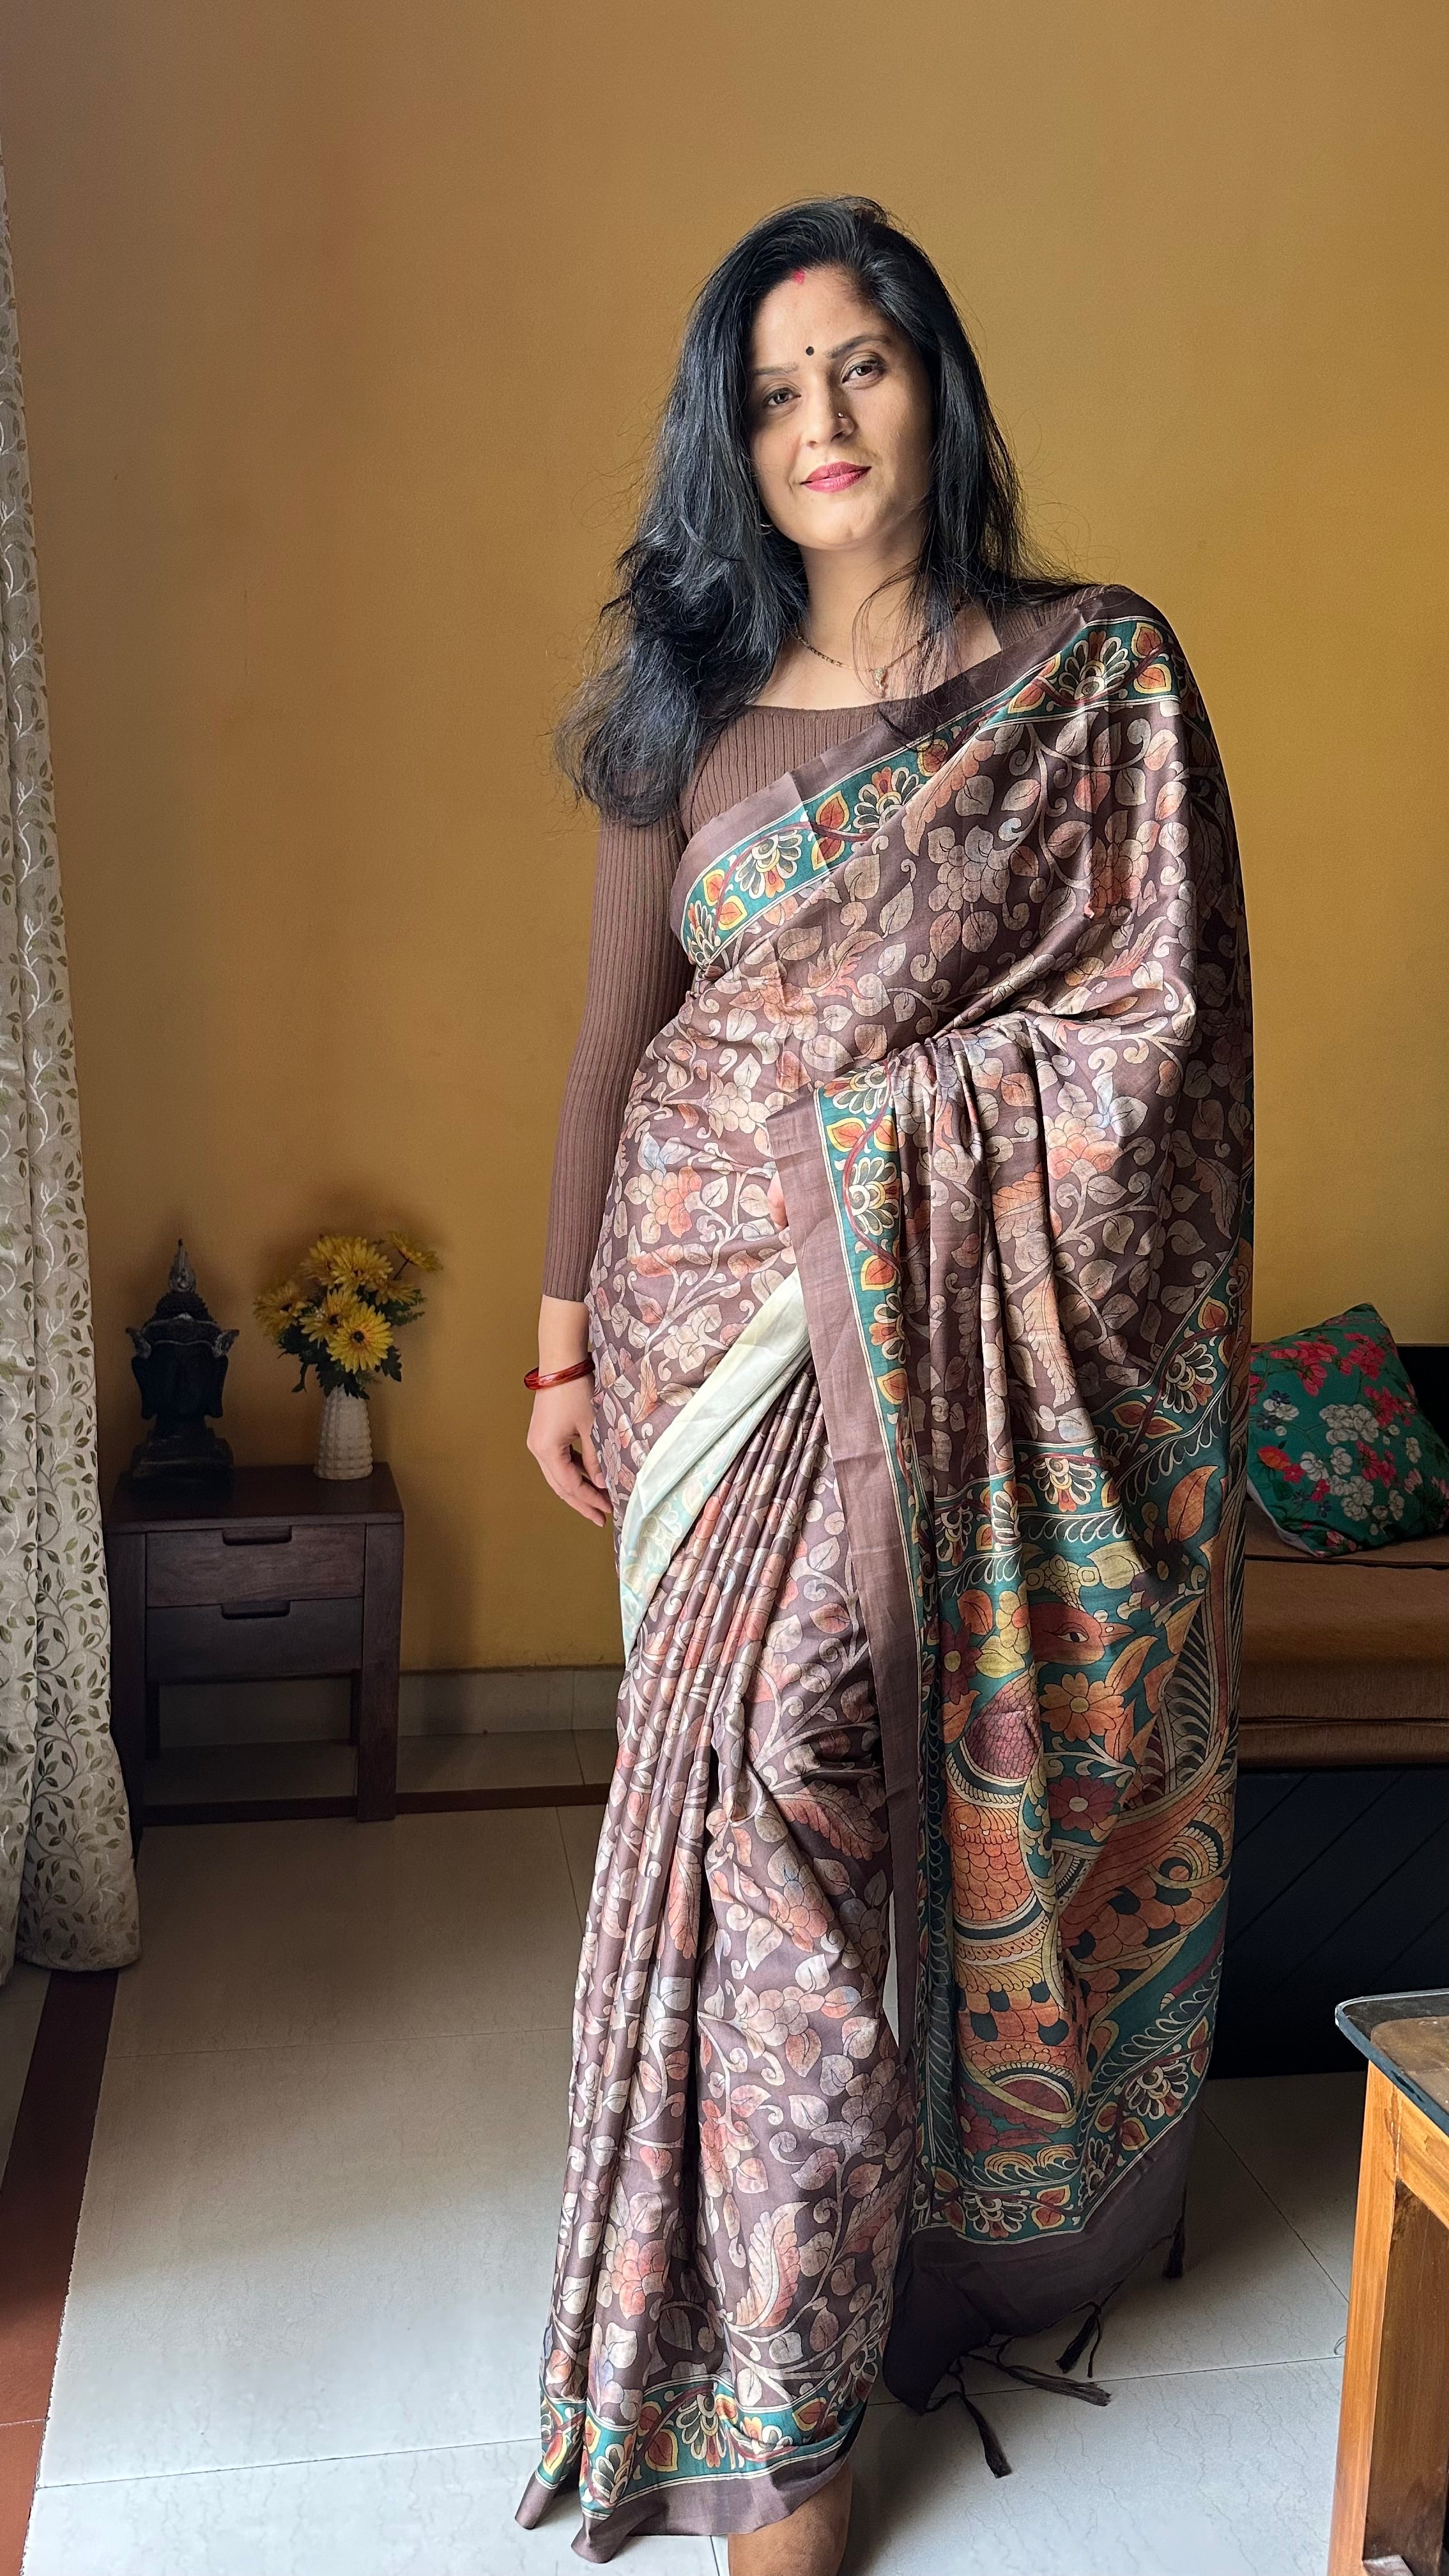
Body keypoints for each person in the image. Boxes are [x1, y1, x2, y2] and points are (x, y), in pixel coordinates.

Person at [516, 195, 1251, 2572]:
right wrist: (559, 1337)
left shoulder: (1088, 680)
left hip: (940, 1358)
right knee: (755, 1846)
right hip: (701, 1347)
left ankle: (799, 2413)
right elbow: (620, 1044)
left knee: (802, 1799)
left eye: (862, 366)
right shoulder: (687, 707)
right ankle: (782, 2386)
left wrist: (885, 1142)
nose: (820, 423)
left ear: (936, 384)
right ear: (726, 441)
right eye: (770, 392)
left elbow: (1154, 1047)